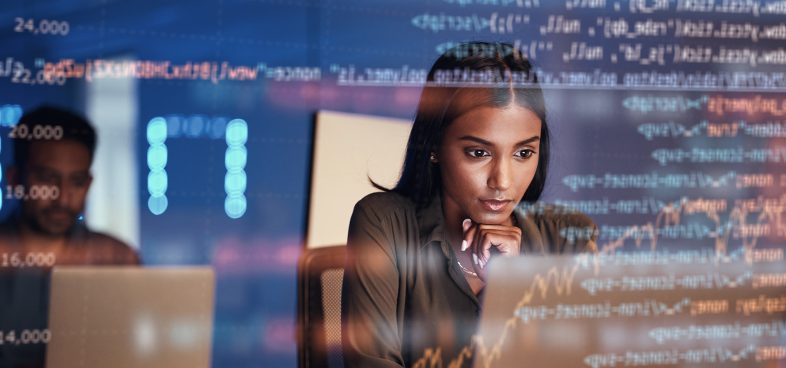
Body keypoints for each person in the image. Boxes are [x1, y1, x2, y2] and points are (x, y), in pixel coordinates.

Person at [341, 42, 598, 367]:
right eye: (479, 153)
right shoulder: (384, 224)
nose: (502, 181)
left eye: (523, 153)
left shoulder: (569, 239)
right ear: (434, 144)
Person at [0, 105, 139, 266]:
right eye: (47, 179)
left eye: (77, 182)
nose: (63, 199)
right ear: (15, 179)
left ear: (88, 185)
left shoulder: (117, 259)